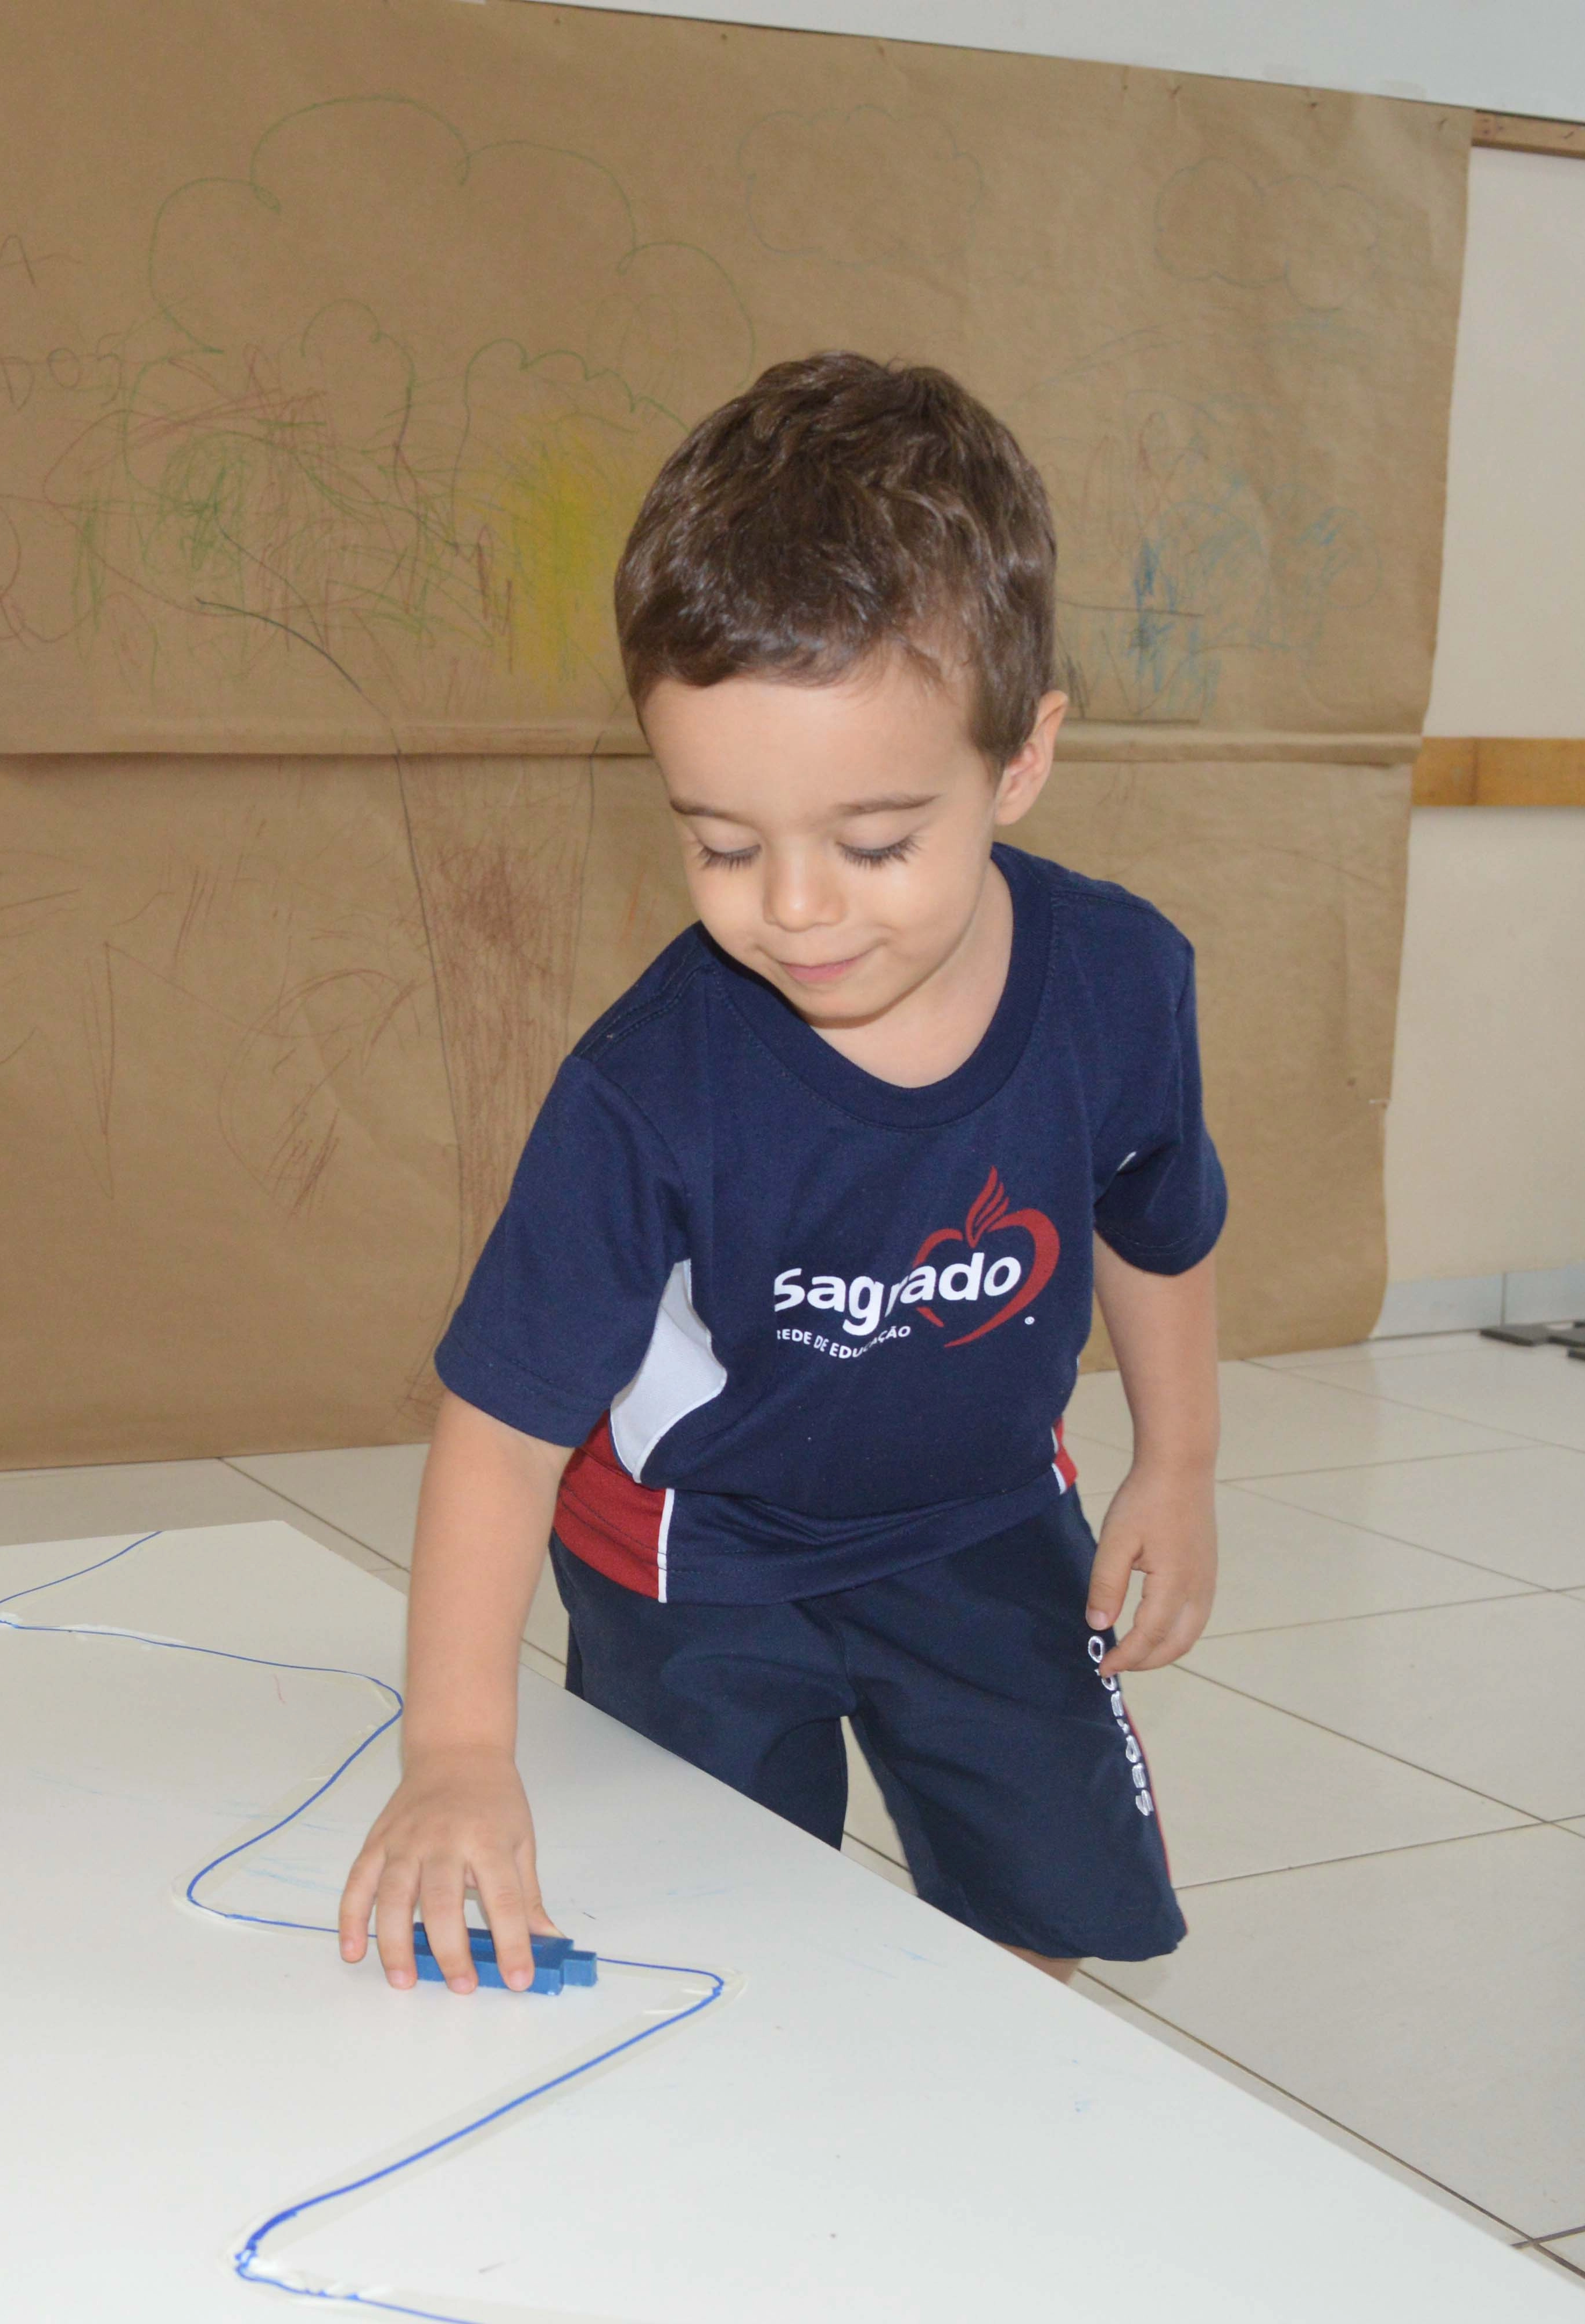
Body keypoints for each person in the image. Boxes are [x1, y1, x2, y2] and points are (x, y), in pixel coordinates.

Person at [338, 353, 1223, 1990]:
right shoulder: (646, 1089)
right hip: (699, 1555)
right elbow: (501, 1432)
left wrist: (1179, 1461)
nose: (796, 911)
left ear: (1020, 760)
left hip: (982, 1517)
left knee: (1048, 1911)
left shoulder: (1122, 981)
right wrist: (458, 1748)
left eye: (875, 844)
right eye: (723, 846)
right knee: (727, 1934)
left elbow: (1156, 1222)